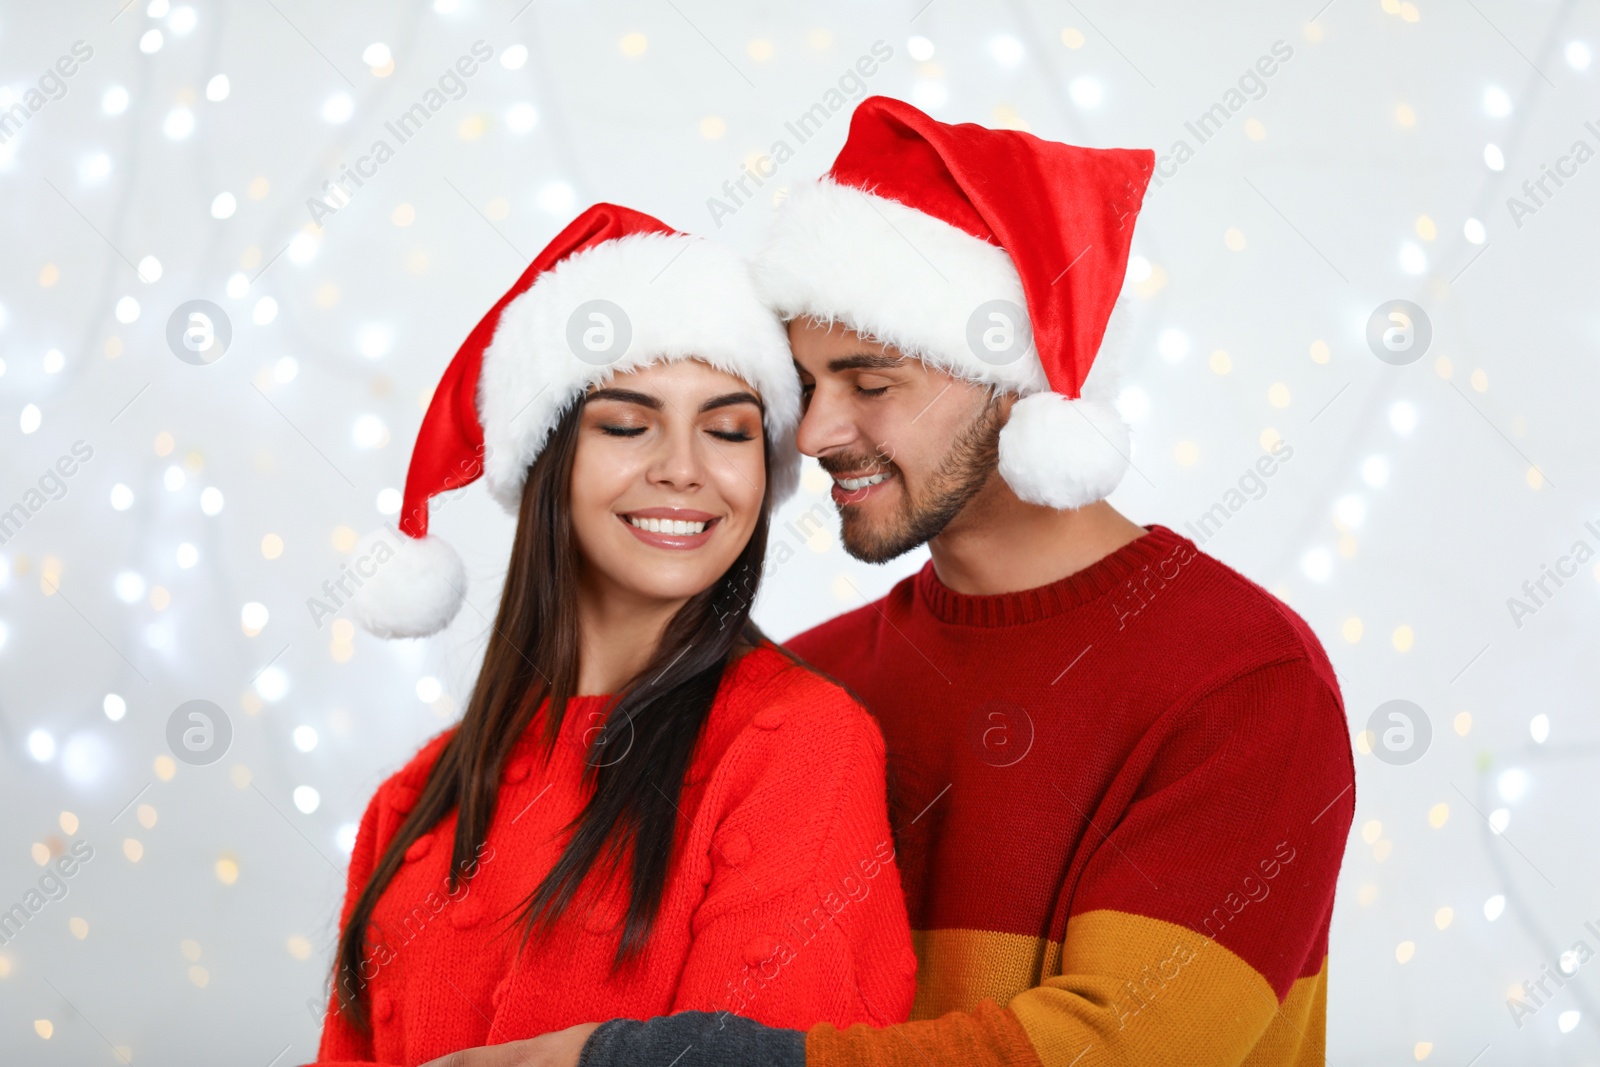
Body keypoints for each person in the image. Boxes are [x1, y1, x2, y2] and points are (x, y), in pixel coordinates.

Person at [559, 98, 1358, 1066]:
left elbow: (1118, 1047)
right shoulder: (809, 682)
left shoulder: (1238, 678)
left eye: (872, 381)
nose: (812, 435)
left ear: (1018, 380)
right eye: (806, 386)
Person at [304, 203, 918, 1067]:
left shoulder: (801, 747)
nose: (682, 466)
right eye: (628, 424)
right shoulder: (412, 799)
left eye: (729, 429)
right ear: (549, 463)